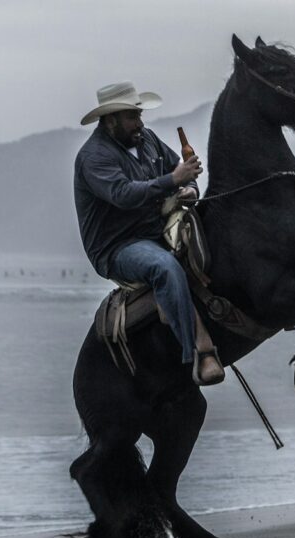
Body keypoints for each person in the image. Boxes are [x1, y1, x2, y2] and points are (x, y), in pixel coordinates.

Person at [74, 81, 225, 385]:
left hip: (159, 227)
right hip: (118, 246)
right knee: (164, 267)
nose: (140, 122)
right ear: (111, 119)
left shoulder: (148, 139)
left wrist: (189, 188)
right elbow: (123, 194)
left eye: (139, 115)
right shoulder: (93, 156)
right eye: (132, 116)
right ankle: (196, 352)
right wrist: (173, 179)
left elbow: (182, 174)